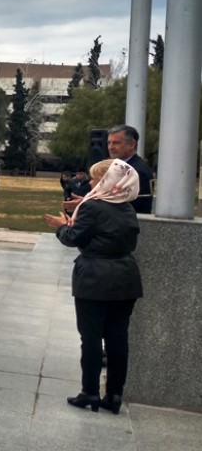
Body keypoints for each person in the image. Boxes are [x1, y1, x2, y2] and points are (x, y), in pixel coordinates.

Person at [44, 158, 143, 415]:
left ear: (109, 181)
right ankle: (114, 394)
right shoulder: (127, 207)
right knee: (117, 339)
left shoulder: (93, 208)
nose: (90, 182)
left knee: (90, 338)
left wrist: (61, 227)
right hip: (125, 277)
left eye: (97, 178)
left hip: (95, 278)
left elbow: (74, 237)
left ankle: (89, 391)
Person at [106, 125, 153, 214]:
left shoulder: (138, 171)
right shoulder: (117, 166)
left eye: (116, 143)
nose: (110, 147)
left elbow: (126, 205)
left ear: (131, 145)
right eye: (109, 143)